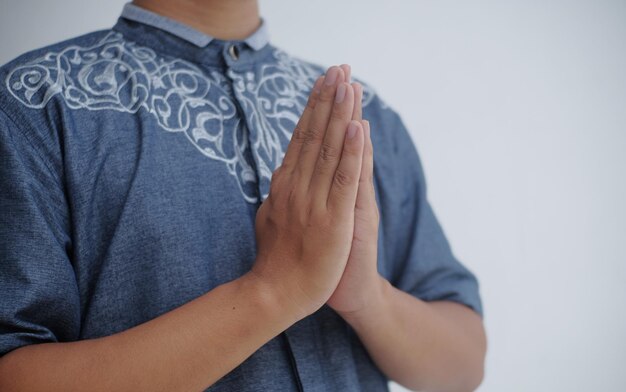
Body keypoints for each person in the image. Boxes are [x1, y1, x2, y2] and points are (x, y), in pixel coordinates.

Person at [0, 0, 486, 391]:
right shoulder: (36, 104)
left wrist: (367, 297)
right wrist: (274, 290)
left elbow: (462, 368)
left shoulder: (364, 115)